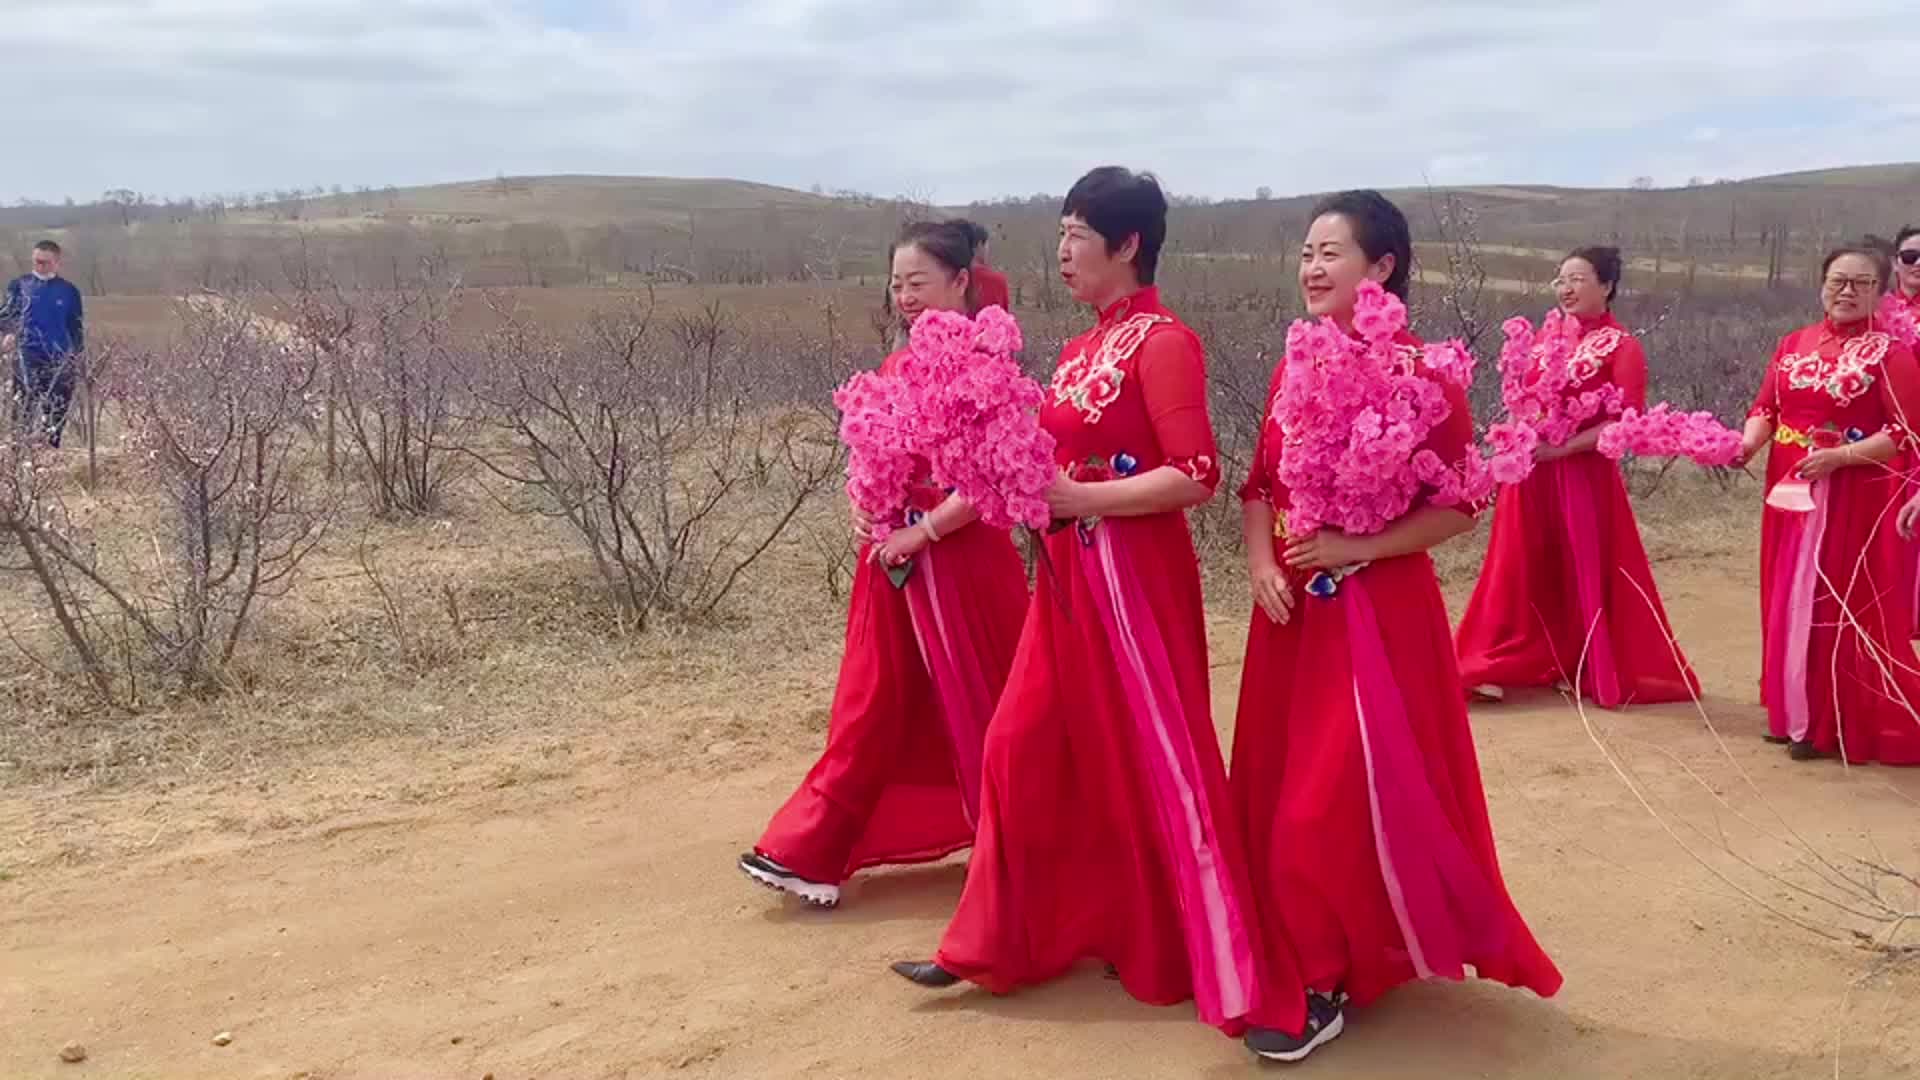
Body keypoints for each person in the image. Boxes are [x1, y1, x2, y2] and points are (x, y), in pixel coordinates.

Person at [891, 167, 1293, 1041]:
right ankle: (994, 939)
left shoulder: (1166, 342)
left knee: (1162, 762)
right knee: (1019, 746)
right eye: (1063, 232)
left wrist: (1083, 501)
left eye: (1078, 233)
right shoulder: (1076, 353)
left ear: (1129, 245)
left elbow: (1198, 476)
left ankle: (1233, 970)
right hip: (1068, 579)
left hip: (1138, 581)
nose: (1063, 251)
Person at [1232, 191, 1564, 1062]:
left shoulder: (1426, 373)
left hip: (1380, 612)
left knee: (1333, 794)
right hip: (1294, 610)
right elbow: (1260, 486)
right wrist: (1266, 563)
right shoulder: (1292, 364)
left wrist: (1357, 545)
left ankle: (1323, 977)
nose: (1311, 268)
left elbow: (1461, 503)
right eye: (1305, 252)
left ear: (1380, 269)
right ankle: (1301, 941)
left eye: (1331, 253)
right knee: (1281, 781)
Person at [739, 220, 1031, 908]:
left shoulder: (987, 363)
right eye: (897, 284)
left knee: (990, 701)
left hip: (962, 561)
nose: (905, 296)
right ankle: (812, 848)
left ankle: (1021, 842)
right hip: (893, 559)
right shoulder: (899, 365)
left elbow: (989, 480)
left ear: (961, 281)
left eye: (919, 282)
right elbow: (875, 455)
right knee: (873, 699)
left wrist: (923, 531)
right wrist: (863, 504)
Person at [1454, 247, 1701, 708]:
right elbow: (1521, 397)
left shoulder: (1622, 346)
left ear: (1606, 286)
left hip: (1582, 473)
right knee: (1517, 562)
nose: (1566, 288)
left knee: (1581, 562)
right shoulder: (1545, 337)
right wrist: (1519, 437)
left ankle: (1585, 660)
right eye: (1560, 280)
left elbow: (1626, 421)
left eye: (1578, 279)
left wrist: (1562, 448)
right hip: (1529, 472)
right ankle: (1494, 659)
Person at [1738, 238, 1920, 765]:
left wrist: (1842, 458)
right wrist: (1748, 443)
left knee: (1832, 602)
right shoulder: (1793, 343)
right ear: (1822, 285)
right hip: (1788, 490)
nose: (1846, 291)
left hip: (1850, 494)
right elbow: (1766, 407)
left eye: (1861, 283)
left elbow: (1906, 434)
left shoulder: (1892, 353)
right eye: (1838, 280)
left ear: (1880, 293)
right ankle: (1791, 708)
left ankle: (1829, 717)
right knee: (1785, 593)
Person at [1, 240, 85, 447]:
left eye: (45, 262)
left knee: (57, 408)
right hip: (27, 356)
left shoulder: (69, 291)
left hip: (60, 359)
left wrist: (77, 356)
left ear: (57, 263)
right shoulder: (20, 285)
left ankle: (50, 451)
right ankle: (18, 453)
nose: (39, 266)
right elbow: (5, 315)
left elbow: (76, 327)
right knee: (23, 408)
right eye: (36, 261)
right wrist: (10, 332)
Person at [956, 219, 1011, 311]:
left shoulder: (945, 275)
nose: (988, 250)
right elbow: (1002, 320)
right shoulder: (995, 280)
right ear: (979, 245)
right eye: (987, 244)